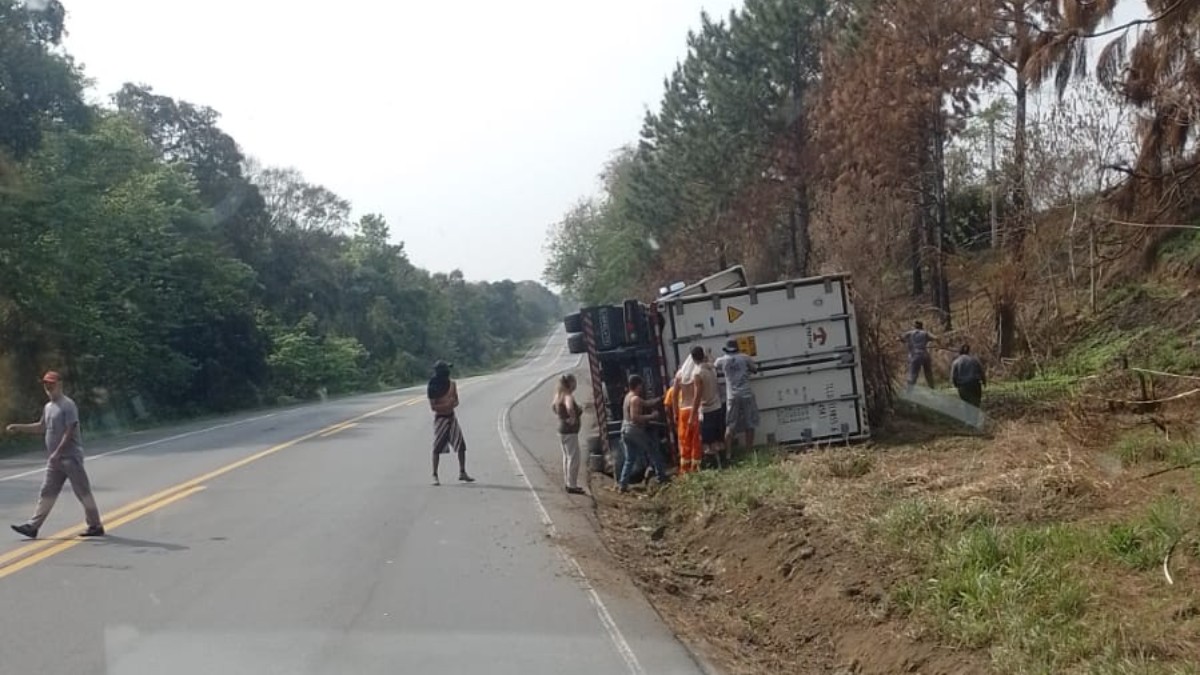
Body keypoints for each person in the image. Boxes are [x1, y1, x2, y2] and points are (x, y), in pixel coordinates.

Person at [7, 371, 104, 539]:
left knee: (82, 492)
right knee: (47, 492)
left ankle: (95, 525)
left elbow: (70, 429)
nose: (48, 386)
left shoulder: (67, 405)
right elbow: (40, 427)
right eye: (45, 383)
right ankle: (33, 526)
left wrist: (58, 452)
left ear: (59, 384)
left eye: (51, 382)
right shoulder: (48, 407)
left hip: (70, 458)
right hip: (55, 460)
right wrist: (19, 427)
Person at [617, 375, 669, 492]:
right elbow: (635, 417)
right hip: (634, 430)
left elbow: (646, 403)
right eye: (641, 385)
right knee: (652, 450)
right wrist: (652, 416)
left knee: (630, 458)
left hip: (625, 430)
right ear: (638, 385)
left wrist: (660, 398)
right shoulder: (635, 399)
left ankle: (622, 484)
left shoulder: (628, 397)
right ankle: (661, 477)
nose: (642, 387)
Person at [427, 360, 475, 486]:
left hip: (451, 417)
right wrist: (446, 404)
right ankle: (435, 475)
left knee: (461, 445)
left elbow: (456, 401)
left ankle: (462, 472)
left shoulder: (452, 384)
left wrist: (452, 403)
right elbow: (433, 407)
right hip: (441, 419)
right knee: (437, 447)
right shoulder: (433, 386)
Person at [714, 338, 760, 454]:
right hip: (746, 394)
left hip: (732, 396)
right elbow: (755, 369)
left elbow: (714, 367)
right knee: (750, 423)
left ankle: (728, 453)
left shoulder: (722, 360)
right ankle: (749, 451)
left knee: (730, 425)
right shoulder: (745, 358)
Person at [552, 374, 586, 495]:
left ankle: (568, 482)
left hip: (562, 430)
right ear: (570, 383)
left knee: (566, 457)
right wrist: (572, 418)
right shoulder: (568, 396)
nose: (575, 385)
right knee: (574, 457)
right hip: (570, 431)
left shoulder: (558, 395)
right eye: (574, 382)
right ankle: (572, 485)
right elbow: (570, 407)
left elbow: (554, 408)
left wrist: (563, 418)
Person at [674, 346, 705, 475]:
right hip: (693, 410)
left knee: (684, 441)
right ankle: (695, 469)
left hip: (682, 411)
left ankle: (684, 471)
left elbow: (674, 395)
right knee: (695, 441)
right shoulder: (696, 373)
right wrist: (694, 414)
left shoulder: (679, 375)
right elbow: (697, 396)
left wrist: (676, 413)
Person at [694, 348, 725, 469]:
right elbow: (712, 362)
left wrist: (692, 414)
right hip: (717, 407)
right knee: (718, 439)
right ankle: (723, 463)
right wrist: (709, 354)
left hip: (706, 410)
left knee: (707, 443)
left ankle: (712, 466)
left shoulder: (698, 373)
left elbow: (697, 395)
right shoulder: (712, 368)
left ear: (693, 358)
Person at [900, 320, 936, 391]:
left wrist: (905, 342)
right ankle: (932, 389)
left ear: (914, 326)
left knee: (913, 374)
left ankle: (909, 391)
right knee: (928, 373)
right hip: (924, 354)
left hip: (914, 355)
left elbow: (900, 338)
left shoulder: (909, 333)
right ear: (922, 326)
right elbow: (935, 338)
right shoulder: (925, 333)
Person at [950, 344, 986, 409]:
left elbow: (953, 376)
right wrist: (984, 382)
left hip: (963, 387)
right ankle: (975, 417)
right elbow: (981, 371)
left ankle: (968, 417)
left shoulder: (956, 362)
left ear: (959, 352)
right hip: (975, 384)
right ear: (968, 352)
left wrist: (956, 385)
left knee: (966, 405)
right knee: (976, 404)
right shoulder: (974, 360)